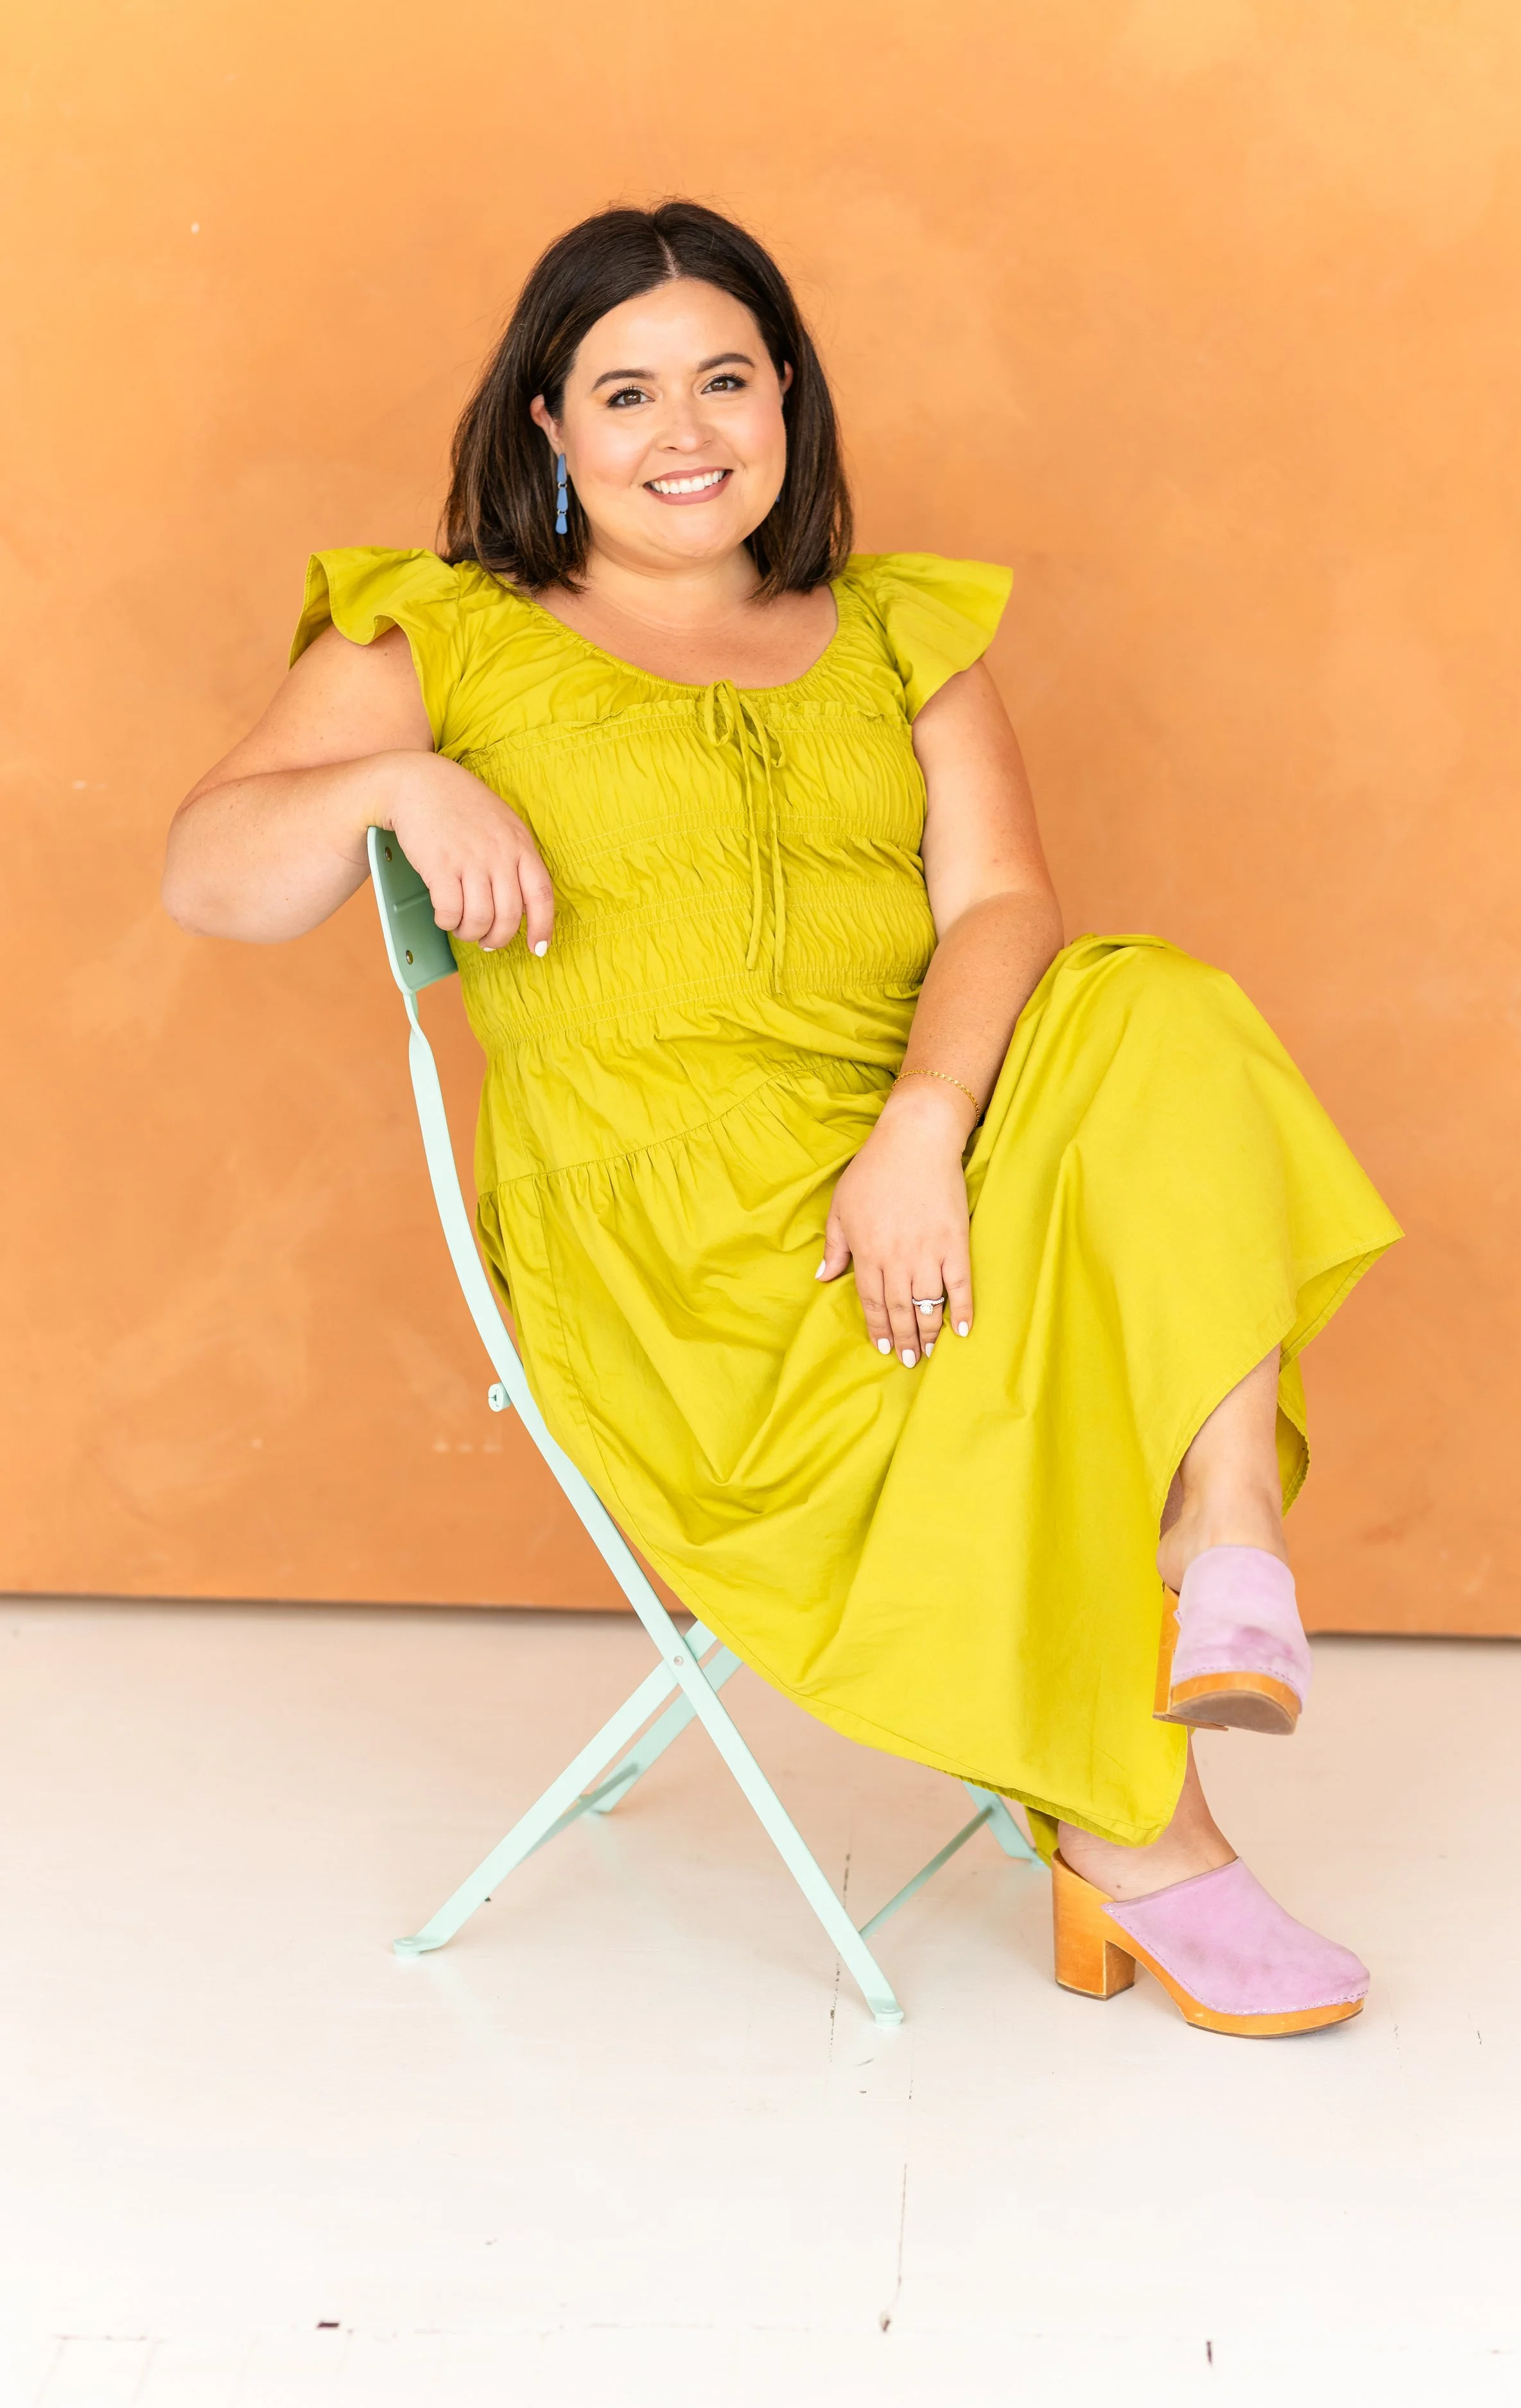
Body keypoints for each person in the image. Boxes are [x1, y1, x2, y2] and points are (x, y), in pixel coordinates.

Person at [164, 201, 1401, 2039]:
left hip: (921, 1157)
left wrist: (919, 1127)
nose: (687, 430)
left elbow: (1003, 909)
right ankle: (1144, 1830)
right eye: (629, 389)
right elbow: (210, 877)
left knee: (1158, 1003)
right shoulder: (442, 637)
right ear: (547, 431)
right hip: (682, 1245)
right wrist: (398, 778)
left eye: (728, 378)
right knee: (1061, 1318)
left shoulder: (896, 633)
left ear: (789, 402)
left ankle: (1222, 1529)